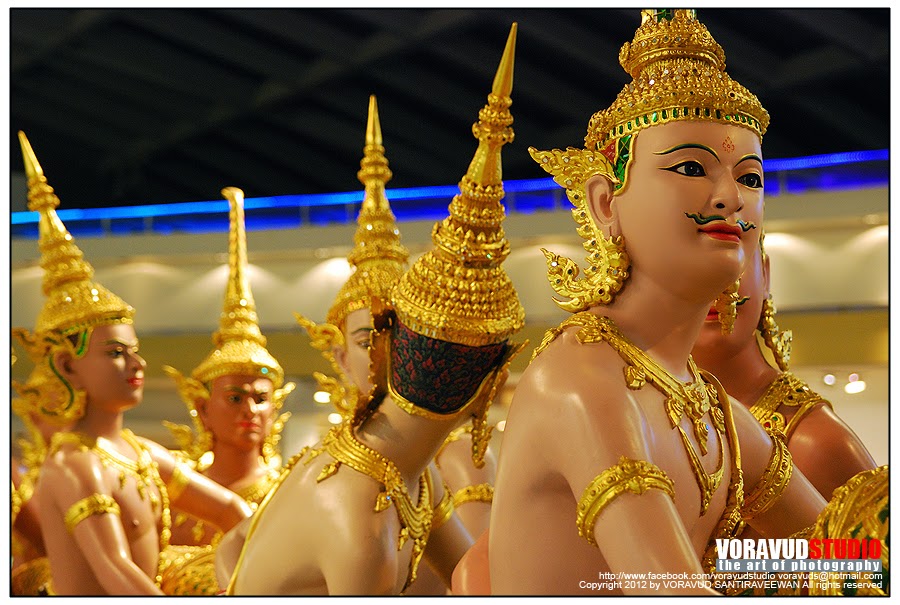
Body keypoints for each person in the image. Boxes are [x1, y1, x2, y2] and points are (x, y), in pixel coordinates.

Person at [487, 10, 826, 595]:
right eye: (692, 168)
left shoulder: (711, 407)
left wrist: (850, 562)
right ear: (605, 203)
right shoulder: (580, 381)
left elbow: (843, 555)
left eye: (750, 177)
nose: (731, 198)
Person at [219, 23, 524, 595]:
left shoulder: (409, 472)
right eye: (364, 339)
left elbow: (476, 581)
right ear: (493, 380)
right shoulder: (360, 506)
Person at [12, 132, 252, 595]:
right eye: (115, 354)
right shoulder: (74, 464)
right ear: (67, 365)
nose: (136, 364)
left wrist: (248, 576)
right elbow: (116, 572)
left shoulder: (143, 453)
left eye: (134, 350)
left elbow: (231, 511)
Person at [692, 236, 877, 500]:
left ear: (765, 274)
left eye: (735, 254)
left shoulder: (815, 444)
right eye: (689, 258)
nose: (717, 280)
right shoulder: (645, 418)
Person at [164, 186, 295, 548]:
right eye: (235, 398)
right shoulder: (177, 492)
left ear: (274, 408)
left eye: (260, 399)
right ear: (203, 408)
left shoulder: (288, 493)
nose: (250, 410)